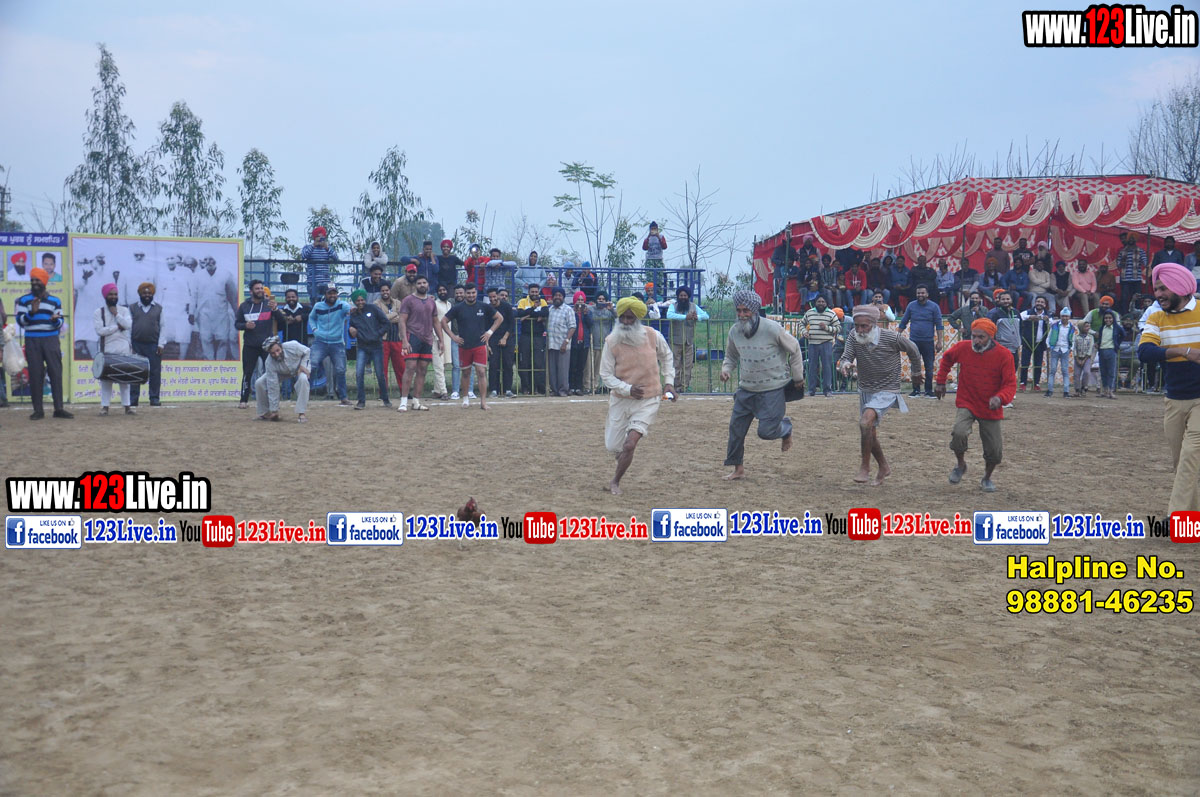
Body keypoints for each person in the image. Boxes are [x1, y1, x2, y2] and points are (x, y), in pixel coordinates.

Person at [720, 290, 803, 480]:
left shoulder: (772, 328)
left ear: (755, 310)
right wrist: (726, 370)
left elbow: (795, 348)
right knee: (736, 429)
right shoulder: (734, 331)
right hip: (746, 389)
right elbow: (731, 356)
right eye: (739, 310)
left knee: (766, 432)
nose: (742, 315)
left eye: (746, 310)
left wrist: (798, 376)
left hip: (772, 389)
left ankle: (785, 428)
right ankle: (738, 469)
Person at [837, 304, 923, 485]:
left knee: (865, 422)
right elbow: (846, 356)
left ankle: (865, 467)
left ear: (874, 324)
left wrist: (916, 372)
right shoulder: (853, 336)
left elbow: (913, 349)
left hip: (888, 388)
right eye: (857, 326)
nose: (860, 330)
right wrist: (845, 364)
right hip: (866, 388)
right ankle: (883, 466)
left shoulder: (891, 337)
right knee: (869, 430)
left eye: (864, 326)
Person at [1138, 262, 1200, 513]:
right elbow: (1145, 352)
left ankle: (1179, 519)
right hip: (1174, 400)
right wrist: (1183, 351)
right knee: (1182, 464)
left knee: (1189, 456)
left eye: (1163, 288)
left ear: (1180, 287)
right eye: (1156, 289)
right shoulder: (1156, 317)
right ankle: (1193, 520)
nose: (1158, 294)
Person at [599, 296, 677, 494]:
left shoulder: (653, 336)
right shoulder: (611, 341)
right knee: (613, 446)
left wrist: (669, 382)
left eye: (630, 318)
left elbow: (667, 356)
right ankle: (623, 456)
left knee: (629, 444)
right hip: (620, 400)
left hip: (648, 399)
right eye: (623, 318)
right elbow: (605, 375)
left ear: (638, 319)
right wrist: (627, 389)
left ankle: (615, 481)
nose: (626, 322)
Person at [935, 318, 1017, 492]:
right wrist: (940, 381)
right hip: (967, 401)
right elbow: (947, 358)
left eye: (981, 337)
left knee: (994, 450)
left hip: (990, 406)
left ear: (991, 337)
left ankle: (987, 477)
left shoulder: (1004, 355)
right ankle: (960, 465)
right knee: (959, 432)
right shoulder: (963, 347)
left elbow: (1010, 384)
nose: (976, 341)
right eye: (974, 336)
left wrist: (1000, 398)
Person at [15, 268, 72, 420]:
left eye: (37, 280)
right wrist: (31, 313)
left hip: (51, 339)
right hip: (32, 340)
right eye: (32, 280)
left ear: (44, 282)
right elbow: (20, 321)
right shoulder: (24, 300)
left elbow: (60, 321)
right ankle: (38, 410)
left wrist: (55, 321)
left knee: (55, 373)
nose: (34, 283)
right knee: (35, 374)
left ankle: (59, 409)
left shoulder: (55, 301)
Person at [441, 284, 501, 409]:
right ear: (464, 294)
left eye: (473, 293)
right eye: (468, 293)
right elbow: (443, 321)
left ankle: (483, 402)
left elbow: (499, 318)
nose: (471, 295)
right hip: (464, 346)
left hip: (479, 345)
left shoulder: (483, 306)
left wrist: (489, 333)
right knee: (466, 373)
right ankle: (465, 399)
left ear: (476, 293)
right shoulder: (458, 308)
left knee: (481, 372)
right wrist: (453, 337)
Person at [397, 275, 440, 411]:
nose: (422, 285)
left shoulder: (432, 302)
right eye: (419, 283)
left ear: (428, 285)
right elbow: (402, 320)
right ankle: (404, 401)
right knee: (410, 368)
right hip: (412, 337)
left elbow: (436, 321)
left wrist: (441, 340)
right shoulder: (408, 300)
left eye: (424, 282)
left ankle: (416, 401)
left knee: (422, 370)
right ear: (415, 285)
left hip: (427, 339)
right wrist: (404, 340)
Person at [94, 283, 135, 415]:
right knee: (106, 381)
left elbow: (128, 325)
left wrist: (116, 314)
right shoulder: (99, 312)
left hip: (124, 349)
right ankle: (105, 407)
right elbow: (100, 331)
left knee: (125, 380)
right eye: (111, 294)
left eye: (115, 294)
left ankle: (127, 407)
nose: (113, 297)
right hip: (107, 349)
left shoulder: (124, 310)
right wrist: (117, 327)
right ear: (105, 296)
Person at [235, 279, 276, 408]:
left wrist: (275, 309)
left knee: (270, 372)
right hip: (250, 345)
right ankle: (243, 400)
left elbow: (281, 320)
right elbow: (237, 324)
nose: (260, 291)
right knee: (247, 373)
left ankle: (272, 400)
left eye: (261, 288)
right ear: (251, 291)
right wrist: (245, 325)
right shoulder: (244, 306)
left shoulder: (269, 304)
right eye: (257, 288)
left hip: (267, 345)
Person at [309, 285, 353, 406]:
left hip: (337, 342)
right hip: (320, 341)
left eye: (334, 293)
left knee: (340, 369)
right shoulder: (318, 306)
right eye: (330, 293)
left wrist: (351, 309)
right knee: (312, 365)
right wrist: (315, 330)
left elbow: (349, 310)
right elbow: (311, 318)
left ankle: (343, 397)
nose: (332, 295)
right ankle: (305, 393)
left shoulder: (342, 305)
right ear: (325, 295)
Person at [347, 288, 390, 409]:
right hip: (362, 347)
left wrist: (378, 334)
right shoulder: (353, 315)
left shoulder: (373, 309)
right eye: (358, 300)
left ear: (365, 299)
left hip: (376, 346)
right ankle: (361, 401)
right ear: (354, 302)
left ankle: (385, 399)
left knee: (380, 374)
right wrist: (350, 331)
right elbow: (352, 331)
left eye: (362, 300)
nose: (360, 302)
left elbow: (386, 323)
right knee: (359, 374)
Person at [897, 284, 943, 397]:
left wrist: (940, 341)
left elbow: (939, 325)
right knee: (915, 367)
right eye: (918, 293)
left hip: (928, 342)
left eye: (922, 293)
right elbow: (904, 322)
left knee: (929, 367)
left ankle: (928, 391)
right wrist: (897, 336)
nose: (920, 295)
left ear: (927, 294)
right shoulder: (911, 305)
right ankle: (916, 390)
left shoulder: (934, 307)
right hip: (913, 342)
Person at [256, 336, 310, 423]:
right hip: (281, 373)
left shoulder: (293, 345)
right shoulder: (269, 363)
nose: (277, 354)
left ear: (280, 346)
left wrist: (303, 365)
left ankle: (301, 413)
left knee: (303, 379)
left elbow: (307, 351)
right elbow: (273, 386)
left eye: (278, 350)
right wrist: (274, 410)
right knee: (259, 383)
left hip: (299, 367)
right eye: (273, 353)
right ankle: (265, 413)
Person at [192, 258, 238, 360]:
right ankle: (209, 364)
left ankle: (220, 363)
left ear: (215, 262)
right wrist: (191, 313)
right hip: (204, 315)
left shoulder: (226, 275)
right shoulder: (197, 276)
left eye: (211, 260)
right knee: (206, 340)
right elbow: (193, 297)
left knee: (223, 340)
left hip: (221, 314)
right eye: (206, 260)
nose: (209, 262)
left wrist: (236, 312)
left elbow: (232, 297)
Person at [128, 282, 166, 408]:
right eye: (144, 293)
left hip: (153, 345)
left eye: (149, 293)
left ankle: (154, 398)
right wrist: (129, 345)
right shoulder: (132, 308)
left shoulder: (159, 308)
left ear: (153, 294)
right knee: (135, 371)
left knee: (155, 373)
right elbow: (128, 327)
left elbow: (163, 327)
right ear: (140, 294)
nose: (147, 295)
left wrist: (161, 344)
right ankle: (133, 399)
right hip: (136, 344)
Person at [665, 286, 709, 393]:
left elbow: (706, 316)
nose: (683, 297)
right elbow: (669, 315)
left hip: (689, 341)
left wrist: (697, 317)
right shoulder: (673, 306)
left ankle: (685, 387)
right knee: (675, 365)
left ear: (688, 296)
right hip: (675, 341)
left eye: (685, 295)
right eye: (681, 295)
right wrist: (685, 317)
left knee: (688, 365)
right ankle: (676, 386)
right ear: (678, 296)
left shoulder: (693, 306)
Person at [802, 294, 839, 397]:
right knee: (812, 367)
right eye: (819, 301)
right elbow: (801, 324)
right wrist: (804, 332)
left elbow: (838, 328)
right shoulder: (809, 313)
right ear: (815, 303)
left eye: (823, 302)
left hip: (826, 343)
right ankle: (811, 390)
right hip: (812, 343)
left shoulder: (831, 313)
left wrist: (826, 328)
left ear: (826, 303)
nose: (821, 303)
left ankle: (827, 390)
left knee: (827, 367)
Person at [375, 282, 406, 403]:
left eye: (387, 290)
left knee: (401, 368)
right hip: (383, 340)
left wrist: (387, 317)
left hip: (397, 339)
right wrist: (394, 314)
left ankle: (404, 392)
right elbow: (379, 320)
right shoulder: (376, 304)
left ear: (390, 291)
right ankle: (383, 394)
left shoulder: (398, 303)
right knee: (382, 369)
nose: (385, 292)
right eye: (383, 291)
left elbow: (402, 318)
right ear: (380, 292)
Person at [516, 283, 549, 395]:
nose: (534, 294)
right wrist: (534, 309)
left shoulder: (543, 301)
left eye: (536, 292)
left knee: (538, 363)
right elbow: (519, 313)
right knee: (524, 363)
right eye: (532, 292)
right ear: (528, 292)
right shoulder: (522, 301)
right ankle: (526, 388)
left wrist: (527, 315)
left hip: (538, 336)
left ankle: (537, 388)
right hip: (525, 336)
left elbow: (545, 312)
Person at [988, 290, 1021, 393]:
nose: (1006, 301)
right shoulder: (994, 313)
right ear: (999, 300)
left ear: (1011, 300)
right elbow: (989, 330)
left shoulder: (1016, 313)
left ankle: (1008, 390)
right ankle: (999, 391)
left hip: (1014, 347)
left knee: (1013, 369)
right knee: (1000, 370)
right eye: (1003, 299)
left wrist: (1019, 340)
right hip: (1001, 347)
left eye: (1008, 299)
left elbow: (1022, 328)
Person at [486, 287, 515, 398]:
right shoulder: (487, 308)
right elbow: (486, 327)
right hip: (493, 338)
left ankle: (508, 390)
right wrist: (487, 344)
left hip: (507, 337)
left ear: (498, 296)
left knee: (508, 364)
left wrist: (505, 338)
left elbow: (511, 324)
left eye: (494, 296)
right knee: (493, 364)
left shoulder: (506, 307)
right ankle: (494, 390)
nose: (492, 299)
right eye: (490, 297)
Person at [1018, 296, 1051, 392]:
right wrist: (1030, 317)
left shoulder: (1048, 314)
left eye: (1042, 302)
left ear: (1045, 304)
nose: (1039, 303)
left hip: (1040, 343)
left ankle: (1036, 383)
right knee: (1025, 363)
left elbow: (1052, 322)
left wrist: (1047, 320)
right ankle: (1023, 383)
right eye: (1038, 301)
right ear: (1035, 303)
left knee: (1038, 364)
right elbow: (1020, 316)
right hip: (1027, 342)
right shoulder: (1028, 312)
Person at [546, 287, 573, 397]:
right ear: (552, 297)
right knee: (552, 370)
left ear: (563, 297)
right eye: (555, 295)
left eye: (560, 295)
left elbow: (572, 327)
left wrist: (566, 342)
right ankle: (554, 390)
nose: (557, 297)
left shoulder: (568, 310)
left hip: (563, 345)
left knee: (563, 370)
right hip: (551, 344)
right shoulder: (550, 309)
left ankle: (563, 391)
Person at [587, 291, 615, 393]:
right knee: (590, 367)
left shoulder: (609, 311)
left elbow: (618, 318)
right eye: (599, 299)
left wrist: (611, 309)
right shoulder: (591, 309)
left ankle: (601, 387)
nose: (601, 301)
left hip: (604, 343)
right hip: (592, 343)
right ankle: (590, 387)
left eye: (603, 299)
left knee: (602, 367)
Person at [301, 226, 338, 302]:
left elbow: (336, 258)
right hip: (312, 281)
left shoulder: (328, 248)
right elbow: (304, 256)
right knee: (314, 301)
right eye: (318, 237)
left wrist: (327, 248)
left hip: (326, 280)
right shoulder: (308, 247)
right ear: (314, 238)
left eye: (322, 237)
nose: (320, 239)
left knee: (328, 300)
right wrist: (313, 245)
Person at [1044, 308, 1074, 398]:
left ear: (1069, 317)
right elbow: (1049, 336)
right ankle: (1050, 390)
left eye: (1066, 316)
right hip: (1055, 349)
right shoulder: (1055, 326)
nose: (1064, 318)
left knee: (1065, 371)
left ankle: (1066, 391)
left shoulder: (1071, 327)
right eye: (1063, 316)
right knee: (1052, 370)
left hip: (1065, 349)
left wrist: (1071, 348)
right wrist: (1048, 346)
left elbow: (1073, 339)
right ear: (1060, 316)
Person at [430, 283, 452, 399]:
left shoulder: (449, 304)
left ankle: (437, 391)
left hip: (447, 338)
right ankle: (444, 392)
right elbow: (433, 322)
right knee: (438, 365)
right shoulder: (434, 304)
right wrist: (438, 339)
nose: (442, 292)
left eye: (444, 290)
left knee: (442, 365)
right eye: (440, 290)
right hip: (436, 338)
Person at [1096, 308, 1123, 399]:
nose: (1108, 320)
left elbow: (1123, 334)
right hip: (1102, 350)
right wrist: (1099, 344)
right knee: (1103, 372)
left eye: (1110, 318)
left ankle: (1111, 391)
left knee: (1111, 372)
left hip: (1111, 350)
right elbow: (1100, 338)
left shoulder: (1116, 328)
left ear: (1113, 319)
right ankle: (1105, 390)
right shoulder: (1102, 328)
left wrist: (1117, 344)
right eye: (1106, 318)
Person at [568, 290, 592, 395]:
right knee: (572, 365)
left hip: (584, 342)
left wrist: (585, 314)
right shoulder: (571, 312)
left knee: (580, 366)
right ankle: (571, 386)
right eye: (578, 300)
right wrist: (575, 312)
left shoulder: (588, 312)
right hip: (574, 342)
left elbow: (590, 324)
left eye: (582, 300)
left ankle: (578, 387)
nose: (580, 302)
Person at [1117, 232, 1148, 312]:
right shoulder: (1122, 252)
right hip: (1125, 279)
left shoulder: (1140, 251)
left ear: (1136, 240)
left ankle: (1137, 314)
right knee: (1124, 298)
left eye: (1133, 238)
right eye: (1130, 238)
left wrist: (1146, 261)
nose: (1131, 240)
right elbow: (1118, 265)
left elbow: (1145, 263)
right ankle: (1125, 314)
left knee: (1137, 298)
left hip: (1136, 278)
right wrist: (1122, 261)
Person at [642, 222, 667, 300]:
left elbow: (664, 246)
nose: (653, 230)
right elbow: (644, 248)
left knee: (659, 280)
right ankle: (649, 296)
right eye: (652, 229)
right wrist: (648, 237)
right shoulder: (647, 238)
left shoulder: (661, 237)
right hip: (650, 260)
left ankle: (658, 297)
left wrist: (658, 237)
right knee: (650, 280)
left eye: (654, 229)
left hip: (658, 259)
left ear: (657, 229)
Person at [1073, 318, 1096, 396]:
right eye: (1086, 326)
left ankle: (1084, 387)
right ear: (1081, 327)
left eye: (1088, 326)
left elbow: (1090, 349)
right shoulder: (1076, 337)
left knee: (1086, 372)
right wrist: (1077, 359)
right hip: (1078, 358)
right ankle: (1077, 389)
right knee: (1076, 374)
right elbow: (1074, 348)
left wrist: (1084, 359)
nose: (1088, 328)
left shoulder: (1091, 337)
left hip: (1087, 358)